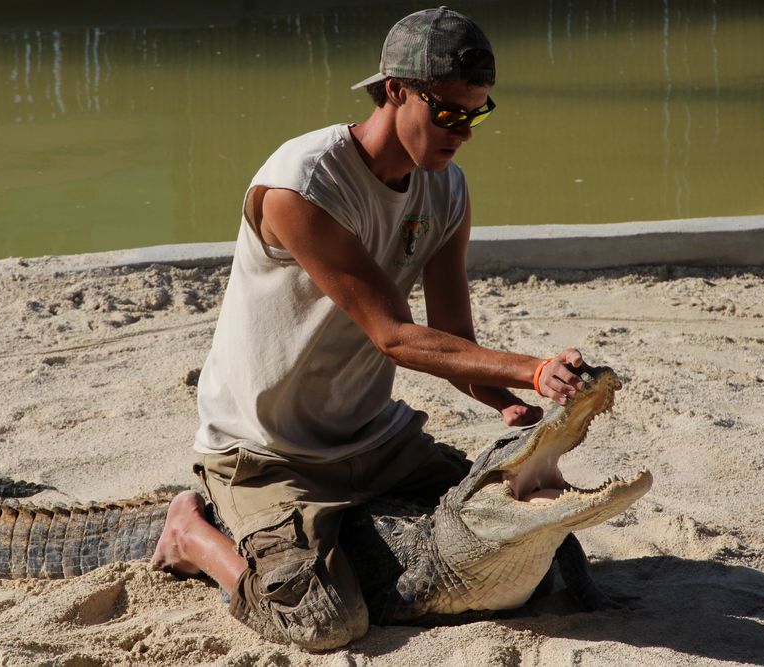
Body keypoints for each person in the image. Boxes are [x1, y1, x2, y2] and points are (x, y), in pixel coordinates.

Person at [152, 7, 589, 649]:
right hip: (268, 452)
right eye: (448, 112)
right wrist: (531, 367)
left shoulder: (446, 191)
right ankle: (191, 535)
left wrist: (509, 402)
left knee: (548, 549)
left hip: (375, 440)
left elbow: (452, 338)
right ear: (395, 91)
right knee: (326, 624)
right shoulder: (302, 184)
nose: (463, 131)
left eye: (477, 114)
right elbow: (394, 336)